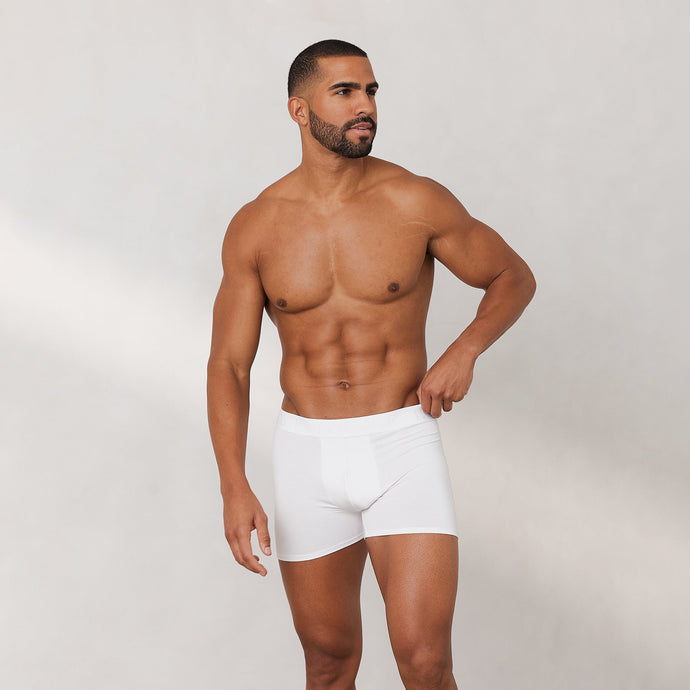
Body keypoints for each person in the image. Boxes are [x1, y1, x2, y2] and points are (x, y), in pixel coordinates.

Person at [207, 39, 536, 690]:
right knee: (329, 662)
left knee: (424, 662)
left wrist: (464, 350)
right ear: (299, 110)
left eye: (371, 91)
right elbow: (229, 365)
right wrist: (233, 484)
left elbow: (512, 276)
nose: (365, 105)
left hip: (400, 445)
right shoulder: (257, 225)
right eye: (345, 92)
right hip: (307, 454)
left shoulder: (414, 200)